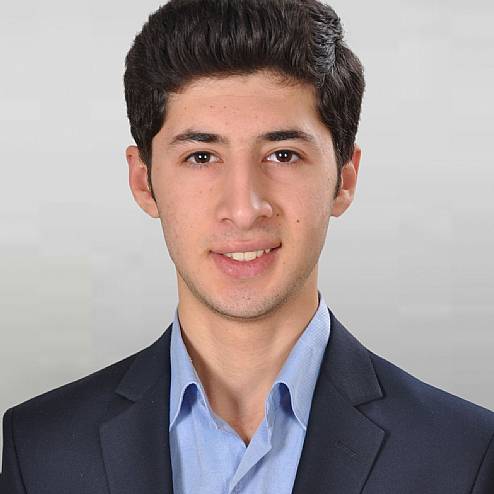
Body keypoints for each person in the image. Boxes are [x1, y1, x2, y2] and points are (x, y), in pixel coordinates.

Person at [1, 0, 493, 492]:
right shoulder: (40, 451)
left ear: (344, 179)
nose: (243, 208)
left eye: (283, 155)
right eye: (201, 157)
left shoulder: (464, 456)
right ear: (143, 182)